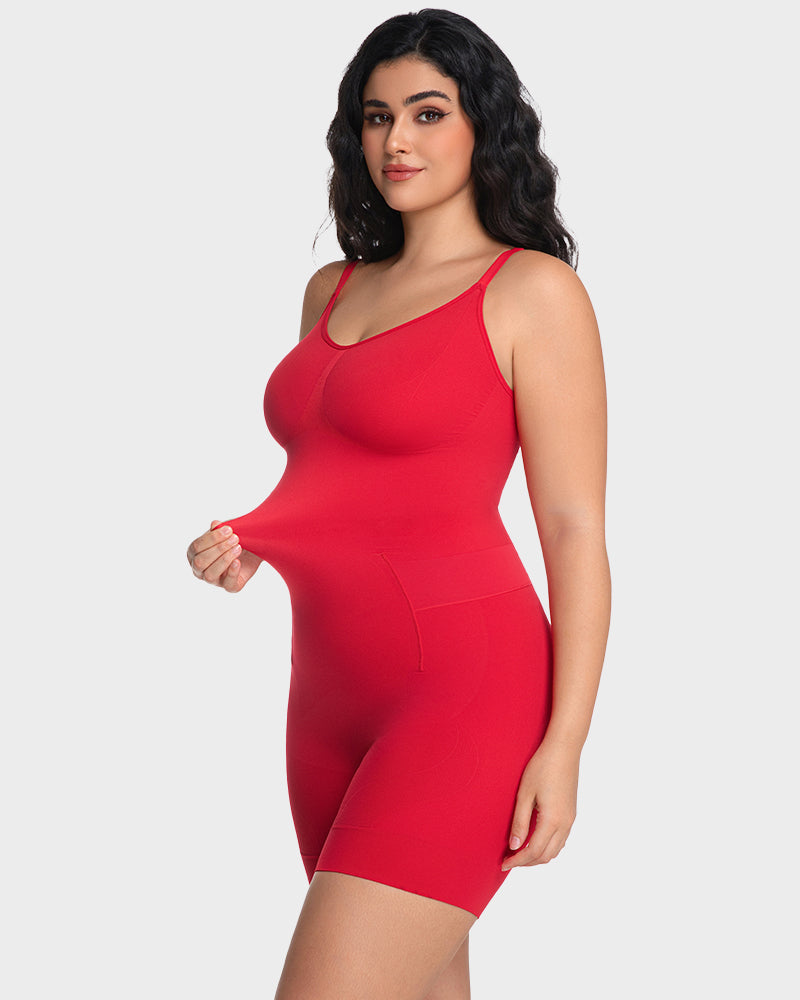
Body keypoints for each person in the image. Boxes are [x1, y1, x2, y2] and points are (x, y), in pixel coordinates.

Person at [186, 9, 610, 999]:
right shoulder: (331, 289)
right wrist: (259, 539)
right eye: (376, 117)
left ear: (483, 124)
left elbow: (573, 529)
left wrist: (565, 745)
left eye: (427, 112)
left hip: (463, 693)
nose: (396, 142)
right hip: (325, 698)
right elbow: (338, 474)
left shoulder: (530, 291)